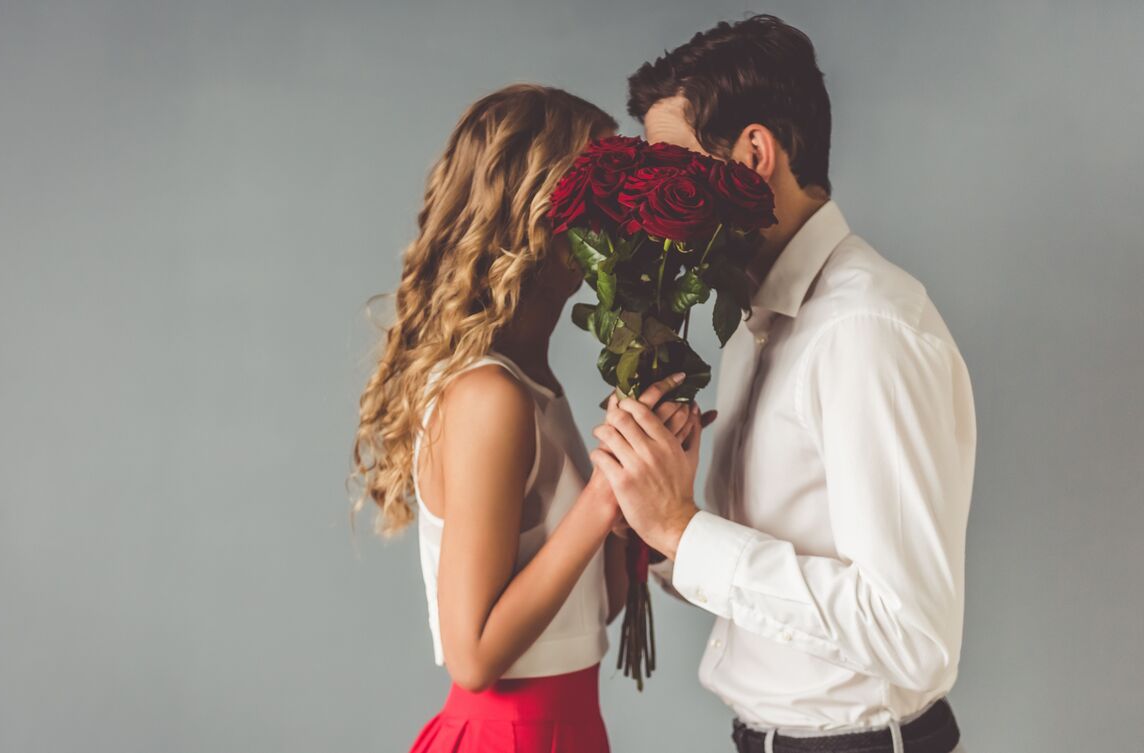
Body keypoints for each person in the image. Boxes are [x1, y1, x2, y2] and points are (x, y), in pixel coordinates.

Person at [590, 16, 976, 753]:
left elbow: (912, 634)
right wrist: (658, 529)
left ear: (754, 153)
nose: (648, 197)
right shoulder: (757, 324)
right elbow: (787, 577)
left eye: (667, 162)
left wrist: (681, 526)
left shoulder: (863, 328)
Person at [352, 84, 700, 753]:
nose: (625, 221)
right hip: (507, 736)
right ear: (539, 214)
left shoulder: (534, 383)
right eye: (602, 197)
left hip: (567, 729)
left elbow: (588, 610)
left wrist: (638, 493)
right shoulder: (490, 396)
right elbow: (474, 657)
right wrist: (600, 498)